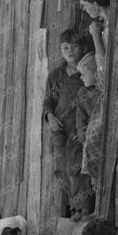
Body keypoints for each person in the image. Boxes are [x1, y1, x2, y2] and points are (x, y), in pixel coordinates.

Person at [43, 29, 94, 218]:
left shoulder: (86, 72)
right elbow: (48, 101)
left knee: (77, 167)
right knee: (62, 168)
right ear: (61, 51)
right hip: (59, 128)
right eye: (65, 48)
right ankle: (74, 206)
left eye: (74, 46)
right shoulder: (56, 75)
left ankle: (84, 208)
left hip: (78, 129)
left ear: (84, 48)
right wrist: (49, 117)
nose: (70, 51)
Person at [72, 43, 105, 218]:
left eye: (84, 74)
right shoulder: (82, 93)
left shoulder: (103, 92)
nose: (81, 77)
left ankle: (101, 211)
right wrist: (84, 138)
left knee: (103, 175)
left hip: (102, 141)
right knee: (93, 178)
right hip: (89, 142)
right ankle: (95, 210)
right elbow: (80, 120)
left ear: (95, 73)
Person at [78, 0, 112, 67]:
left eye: (84, 5)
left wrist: (95, 36)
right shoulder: (103, 23)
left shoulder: (110, 27)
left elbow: (102, 65)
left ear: (95, 3)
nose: (83, 9)